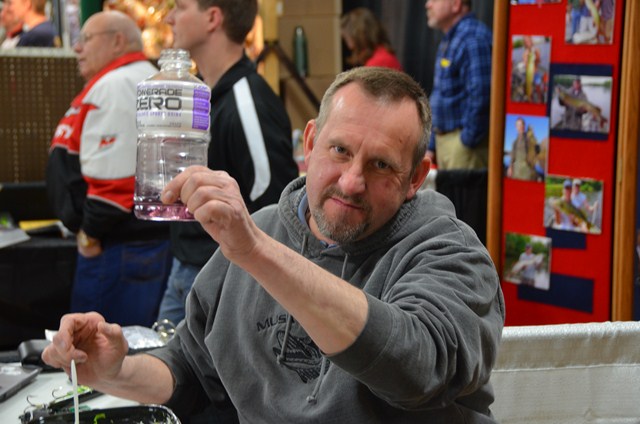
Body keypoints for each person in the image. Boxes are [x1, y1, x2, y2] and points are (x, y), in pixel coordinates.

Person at [42, 66, 505, 423]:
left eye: (381, 165)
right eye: (340, 150)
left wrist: (256, 252)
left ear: (416, 178)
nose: (352, 181)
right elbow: (190, 368)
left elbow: (418, 368)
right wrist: (115, 372)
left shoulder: (448, 251)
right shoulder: (262, 231)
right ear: (310, 143)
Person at [155, 0, 299, 326]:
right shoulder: (204, 94)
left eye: (180, 7)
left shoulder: (248, 100)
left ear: (212, 18)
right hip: (186, 267)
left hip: (224, 279)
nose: (169, 18)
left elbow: (277, 207)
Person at [46, 11, 171, 327]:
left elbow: (116, 182)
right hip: (128, 244)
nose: (77, 48)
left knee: (101, 346)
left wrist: (89, 235)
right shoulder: (126, 80)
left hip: (117, 247)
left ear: (117, 41)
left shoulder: (118, 84)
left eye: (86, 39)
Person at [425, 0, 492, 170]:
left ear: (456, 4)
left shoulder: (472, 37)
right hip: (446, 144)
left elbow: (483, 94)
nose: (428, 5)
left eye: (434, 0)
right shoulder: (451, 37)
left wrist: (466, 142)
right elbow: (440, 95)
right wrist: (432, 144)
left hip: (464, 148)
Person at [340, 7, 402, 71]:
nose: (350, 46)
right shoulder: (382, 55)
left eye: (347, 39)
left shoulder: (378, 62)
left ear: (359, 37)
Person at [507, 117, 538, 181]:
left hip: (527, 173)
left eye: (522, 124)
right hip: (516, 173)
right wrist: (510, 167)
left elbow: (536, 151)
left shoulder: (530, 138)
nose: (521, 127)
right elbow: (512, 157)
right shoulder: (514, 142)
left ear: (524, 126)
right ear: (516, 127)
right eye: (519, 125)